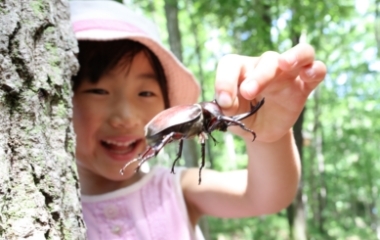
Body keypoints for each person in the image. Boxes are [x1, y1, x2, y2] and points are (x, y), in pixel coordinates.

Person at [69, 1, 326, 239]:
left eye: (145, 92)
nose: (125, 116)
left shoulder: (175, 188)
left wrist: (270, 137)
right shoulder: (51, 207)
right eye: (98, 91)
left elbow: (265, 196)